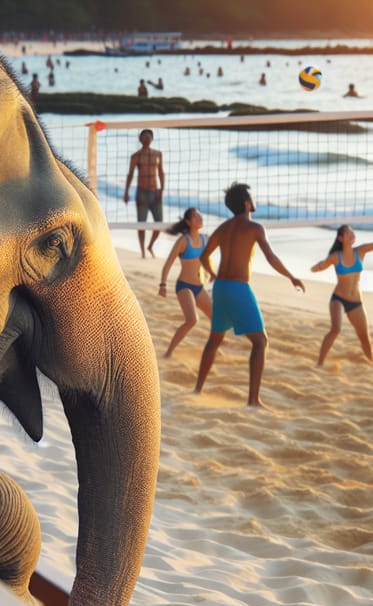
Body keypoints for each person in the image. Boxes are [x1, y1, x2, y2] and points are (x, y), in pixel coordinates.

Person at [194, 183, 305, 408]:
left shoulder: (224, 228)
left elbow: (204, 256)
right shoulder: (255, 227)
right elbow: (271, 257)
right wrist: (291, 277)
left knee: (215, 339)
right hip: (238, 288)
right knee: (260, 341)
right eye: (250, 198)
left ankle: (198, 388)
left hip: (221, 287)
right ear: (247, 203)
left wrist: (214, 274)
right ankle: (253, 400)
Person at [310, 221, 373, 366]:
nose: (351, 234)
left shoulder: (360, 251)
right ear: (341, 238)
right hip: (339, 299)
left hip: (356, 302)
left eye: (352, 232)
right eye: (348, 233)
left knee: (364, 337)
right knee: (335, 330)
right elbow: (322, 265)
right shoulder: (336, 256)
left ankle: (371, 361)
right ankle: (320, 363)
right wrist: (318, 267)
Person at [158, 208, 212, 358]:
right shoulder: (183, 241)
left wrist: (212, 274)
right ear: (188, 222)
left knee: (216, 321)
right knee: (192, 320)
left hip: (199, 287)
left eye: (200, 214)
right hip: (184, 286)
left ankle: (211, 351)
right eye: (196, 216)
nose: (200, 217)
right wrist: (163, 285)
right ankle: (169, 352)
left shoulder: (205, 239)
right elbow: (168, 264)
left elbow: (208, 260)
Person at [123, 128, 165, 258]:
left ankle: (150, 245)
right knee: (141, 223)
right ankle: (142, 252)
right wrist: (126, 192)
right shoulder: (136, 156)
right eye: (144, 137)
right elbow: (130, 174)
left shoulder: (158, 154)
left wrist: (162, 190)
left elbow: (161, 172)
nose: (147, 139)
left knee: (160, 224)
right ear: (140, 139)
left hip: (155, 192)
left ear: (152, 139)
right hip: (142, 193)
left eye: (149, 137)